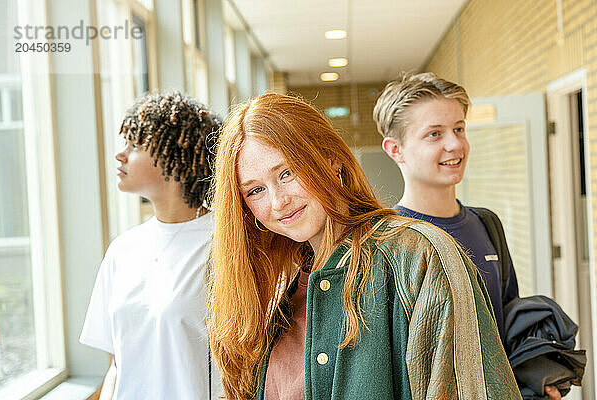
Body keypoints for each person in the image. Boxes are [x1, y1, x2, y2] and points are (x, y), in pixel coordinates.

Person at [207, 92, 521, 400]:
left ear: (331, 160)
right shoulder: (270, 289)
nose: (278, 202)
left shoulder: (418, 256)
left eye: (287, 173)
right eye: (256, 190)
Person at [373, 72, 561, 400]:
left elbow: (505, 324)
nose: (455, 144)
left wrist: (534, 381)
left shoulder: (486, 223)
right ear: (396, 150)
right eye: (434, 134)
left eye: (459, 128)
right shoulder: (385, 243)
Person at [80, 92, 222, 400]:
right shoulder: (123, 250)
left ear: (175, 154)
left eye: (135, 146)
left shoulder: (225, 245)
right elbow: (119, 362)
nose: (120, 155)